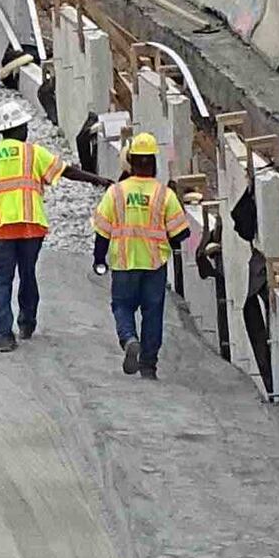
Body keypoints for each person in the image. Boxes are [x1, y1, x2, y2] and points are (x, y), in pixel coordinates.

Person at [89, 129, 191, 378]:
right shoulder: (163, 195)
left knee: (122, 306)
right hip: (154, 265)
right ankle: (148, 365)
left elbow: (102, 231)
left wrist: (99, 259)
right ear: (153, 163)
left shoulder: (116, 192)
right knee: (152, 313)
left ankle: (129, 339)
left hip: (124, 263)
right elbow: (181, 234)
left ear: (131, 162)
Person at [0, 117, 69, 352]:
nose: (27, 130)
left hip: (0, 227)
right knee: (28, 273)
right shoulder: (32, 153)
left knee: (2, 281)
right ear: (18, 128)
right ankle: (26, 323)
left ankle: (3, 336)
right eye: (25, 127)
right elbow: (65, 170)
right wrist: (98, 180)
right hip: (30, 225)